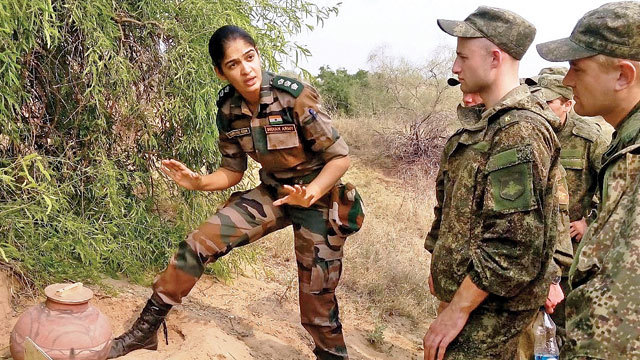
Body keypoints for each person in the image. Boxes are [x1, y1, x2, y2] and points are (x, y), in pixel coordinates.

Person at [107, 25, 364, 360]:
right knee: (198, 243)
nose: (246, 70)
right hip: (275, 193)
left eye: (250, 57)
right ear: (220, 72)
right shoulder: (228, 109)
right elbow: (233, 171)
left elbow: (340, 157)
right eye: (233, 65)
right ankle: (144, 333)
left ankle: (332, 356)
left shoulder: (295, 96)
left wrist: (311, 192)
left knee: (316, 298)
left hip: (320, 199)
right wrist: (198, 182)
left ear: (258, 55)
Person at [423, 6, 563, 359]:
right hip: (472, 306)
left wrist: (459, 308)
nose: (455, 68)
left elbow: (513, 244)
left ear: (495, 58)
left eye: (462, 57)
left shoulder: (519, 131)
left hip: (491, 315)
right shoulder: (488, 126)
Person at [537, 1, 640, 358]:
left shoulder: (634, 157)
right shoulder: (624, 143)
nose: (567, 81)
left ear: (623, 76)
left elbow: (617, 314)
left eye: (577, 69)